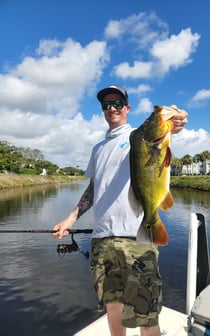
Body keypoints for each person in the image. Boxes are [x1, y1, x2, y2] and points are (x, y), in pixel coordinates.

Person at [52, 85, 188, 336]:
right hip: (101, 237)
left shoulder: (139, 136)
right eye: (106, 105)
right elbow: (94, 189)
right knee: (113, 306)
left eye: (117, 103)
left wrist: (176, 118)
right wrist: (70, 218)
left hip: (137, 235)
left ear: (127, 108)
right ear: (102, 111)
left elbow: (172, 125)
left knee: (145, 312)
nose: (111, 108)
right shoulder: (97, 149)